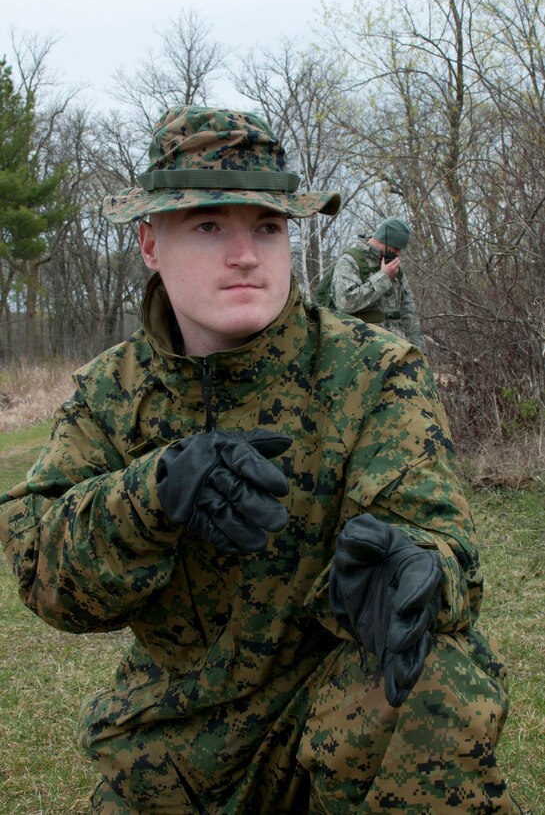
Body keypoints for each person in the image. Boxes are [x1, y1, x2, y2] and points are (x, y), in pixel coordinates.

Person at [0, 105, 520, 814]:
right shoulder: (112, 392)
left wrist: (415, 568)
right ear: (151, 242)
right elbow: (43, 573)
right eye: (210, 226)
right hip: (172, 744)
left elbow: (436, 534)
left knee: (431, 668)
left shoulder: (370, 369)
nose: (245, 255)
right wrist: (153, 495)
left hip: (333, 717)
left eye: (267, 228)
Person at [331, 217, 427, 353]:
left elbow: (408, 309)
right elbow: (346, 303)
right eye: (395, 248)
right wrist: (384, 277)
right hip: (362, 350)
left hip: (397, 350)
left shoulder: (393, 264)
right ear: (384, 240)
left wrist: (419, 350)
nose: (398, 253)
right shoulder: (350, 261)